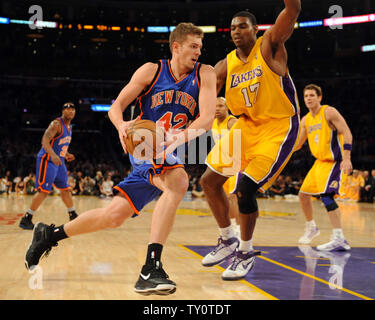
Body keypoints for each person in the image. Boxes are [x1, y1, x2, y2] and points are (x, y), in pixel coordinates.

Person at [25, 22, 216, 296]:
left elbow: (206, 118)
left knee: (113, 216)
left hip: (173, 148)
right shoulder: (152, 70)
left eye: (201, 47)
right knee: (178, 183)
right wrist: (122, 126)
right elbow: (116, 108)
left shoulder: (204, 74)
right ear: (177, 47)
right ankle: (151, 268)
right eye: (194, 46)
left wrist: (179, 138)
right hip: (145, 148)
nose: (199, 52)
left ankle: (48, 235)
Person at [200, 2, 301, 281]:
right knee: (208, 182)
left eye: (242, 26)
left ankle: (245, 252)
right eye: (232, 27)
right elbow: (206, 91)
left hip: (277, 126)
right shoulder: (226, 64)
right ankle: (227, 239)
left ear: (255, 29)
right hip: (246, 127)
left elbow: (292, 11)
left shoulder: (270, 44)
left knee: (244, 189)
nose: (236, 31)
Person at [296, 84, 353, 251]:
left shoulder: (329, 112)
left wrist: (347, 158)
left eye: (312, 95)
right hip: (319, 163)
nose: (308, 98)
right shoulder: (306, 120)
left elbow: (347, 132)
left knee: (327, 197)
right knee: (303, 195)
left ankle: (339, 238)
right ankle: (311, 227)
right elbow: (298, 144)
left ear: (319, 97)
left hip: (334, 161)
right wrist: (278, 148)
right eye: (306, 96)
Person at [19, 102, 78, 230]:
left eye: (73, 110)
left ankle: (73, 214)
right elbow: (45, 141)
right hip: (48, 159)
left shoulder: (69, 127)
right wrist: (53, 155)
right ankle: (26, 219)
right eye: (68, 109)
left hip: (59, 161)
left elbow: (59, 144)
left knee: (65, 189)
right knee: (44, 191)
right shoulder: (56, 124)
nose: (71, 111)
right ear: (63, 111)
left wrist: (66, 154)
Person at [211, 97, 239, 236]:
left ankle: (238, 227)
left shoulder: (232, 122)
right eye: (215, 106)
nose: (217, 108)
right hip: (221, 164)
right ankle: (229, 226)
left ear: (227, 108)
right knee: (223, 197)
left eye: (221, 106)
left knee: (234, 197)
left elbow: (245, 141)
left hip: (235, 164)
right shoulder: (213, 123)